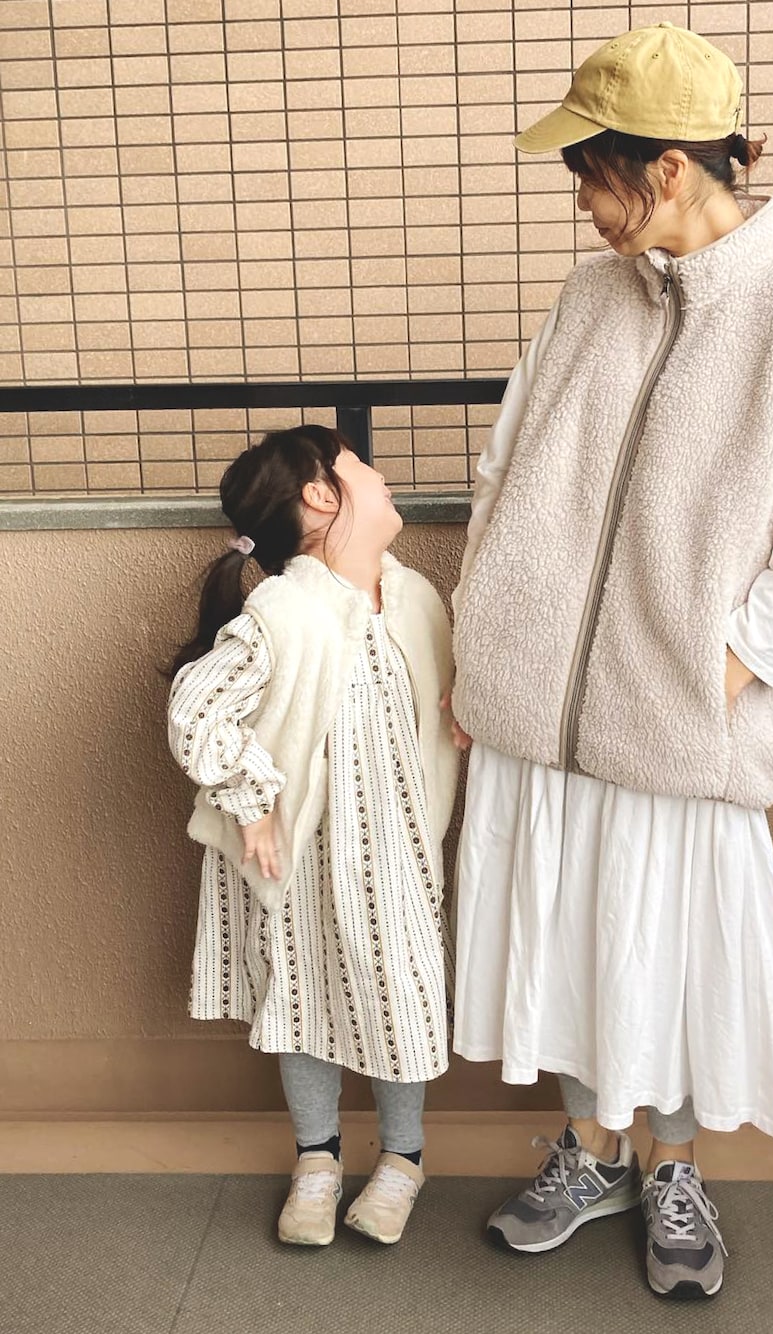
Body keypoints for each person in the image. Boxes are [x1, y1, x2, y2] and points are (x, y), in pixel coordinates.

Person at [449, 23, 773, 1299]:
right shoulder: (589, 298)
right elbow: (503, 471)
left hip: (680, 717)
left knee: (669, 947)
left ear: (671, 168)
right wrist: (485, 639)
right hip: (537, 707)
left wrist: (724, 668)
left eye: (593, 176)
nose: (582, 206)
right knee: (574, 935)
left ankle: (673, 1165)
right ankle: (590, 1152)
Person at [167, 424, 458, 1248]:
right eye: (362, 465)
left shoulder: (411, 596)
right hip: (305, 859)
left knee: (399, 993)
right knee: (301, 995)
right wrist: (252, 802)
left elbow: (440, 683)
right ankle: (318, 1159)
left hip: (394, 854)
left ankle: (402, 1160)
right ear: (322, 496)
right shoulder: (284, 612)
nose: (382, 476)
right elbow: (196, 709)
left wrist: (464, 709)